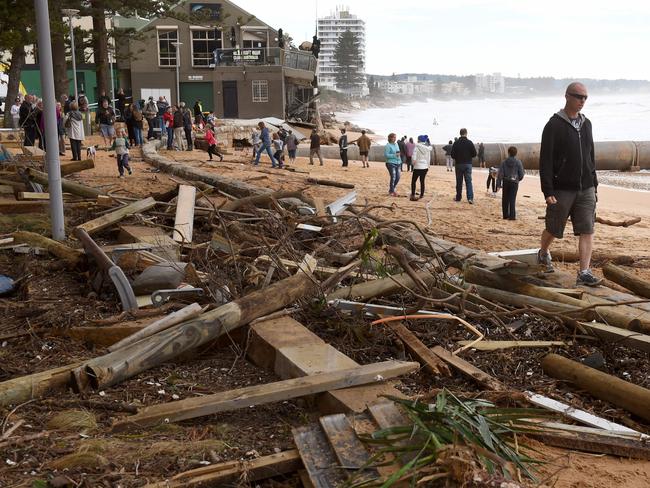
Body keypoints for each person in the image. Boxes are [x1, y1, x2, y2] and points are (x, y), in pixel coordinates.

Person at [537, 82, 601, 286]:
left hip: (586, 187)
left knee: (587, 228)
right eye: (578, 96)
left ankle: (584, 272)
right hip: (562, 188)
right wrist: (547, 190)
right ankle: (544, 251)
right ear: (567, 96)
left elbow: (591, 156)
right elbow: (545, 160)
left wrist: (595, 185)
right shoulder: (553, 125)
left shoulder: (587, 123)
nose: (582, 101)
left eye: (585, 98)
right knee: (554, 228)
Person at [497, 146, 525, 220]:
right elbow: (521, 174)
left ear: (508, 153)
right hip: (514, 182)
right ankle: (512, 216)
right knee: (512, 199)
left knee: (505, 199)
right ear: (515, 154)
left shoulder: (504, 162)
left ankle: (505, 215)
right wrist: (518, 179)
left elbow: (500, 174)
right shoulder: (518, 162)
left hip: (506, 181)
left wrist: (498, 184)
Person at [451, 128, 477, 204]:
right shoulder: (470, 142)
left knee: (459, 182)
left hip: (459, 164)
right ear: (466, 133)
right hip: (468, 164)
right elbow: (474, 154)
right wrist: (468, 156)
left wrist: (458, 157)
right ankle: (470, 198)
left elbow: (452, 155)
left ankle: (458, 197)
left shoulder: (456, 143)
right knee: (468, 181)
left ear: (460, 133)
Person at [410, 135, 431, 201]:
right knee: (422, 181)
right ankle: (421, 194)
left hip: (417, 166)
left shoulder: (416, 147)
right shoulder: (427, 148)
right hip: (424, 167)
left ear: (419, 140)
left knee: (414, 181)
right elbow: (428, 158)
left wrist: (413, 164)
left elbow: (414, 157)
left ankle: (413, 194)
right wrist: (428, 165)